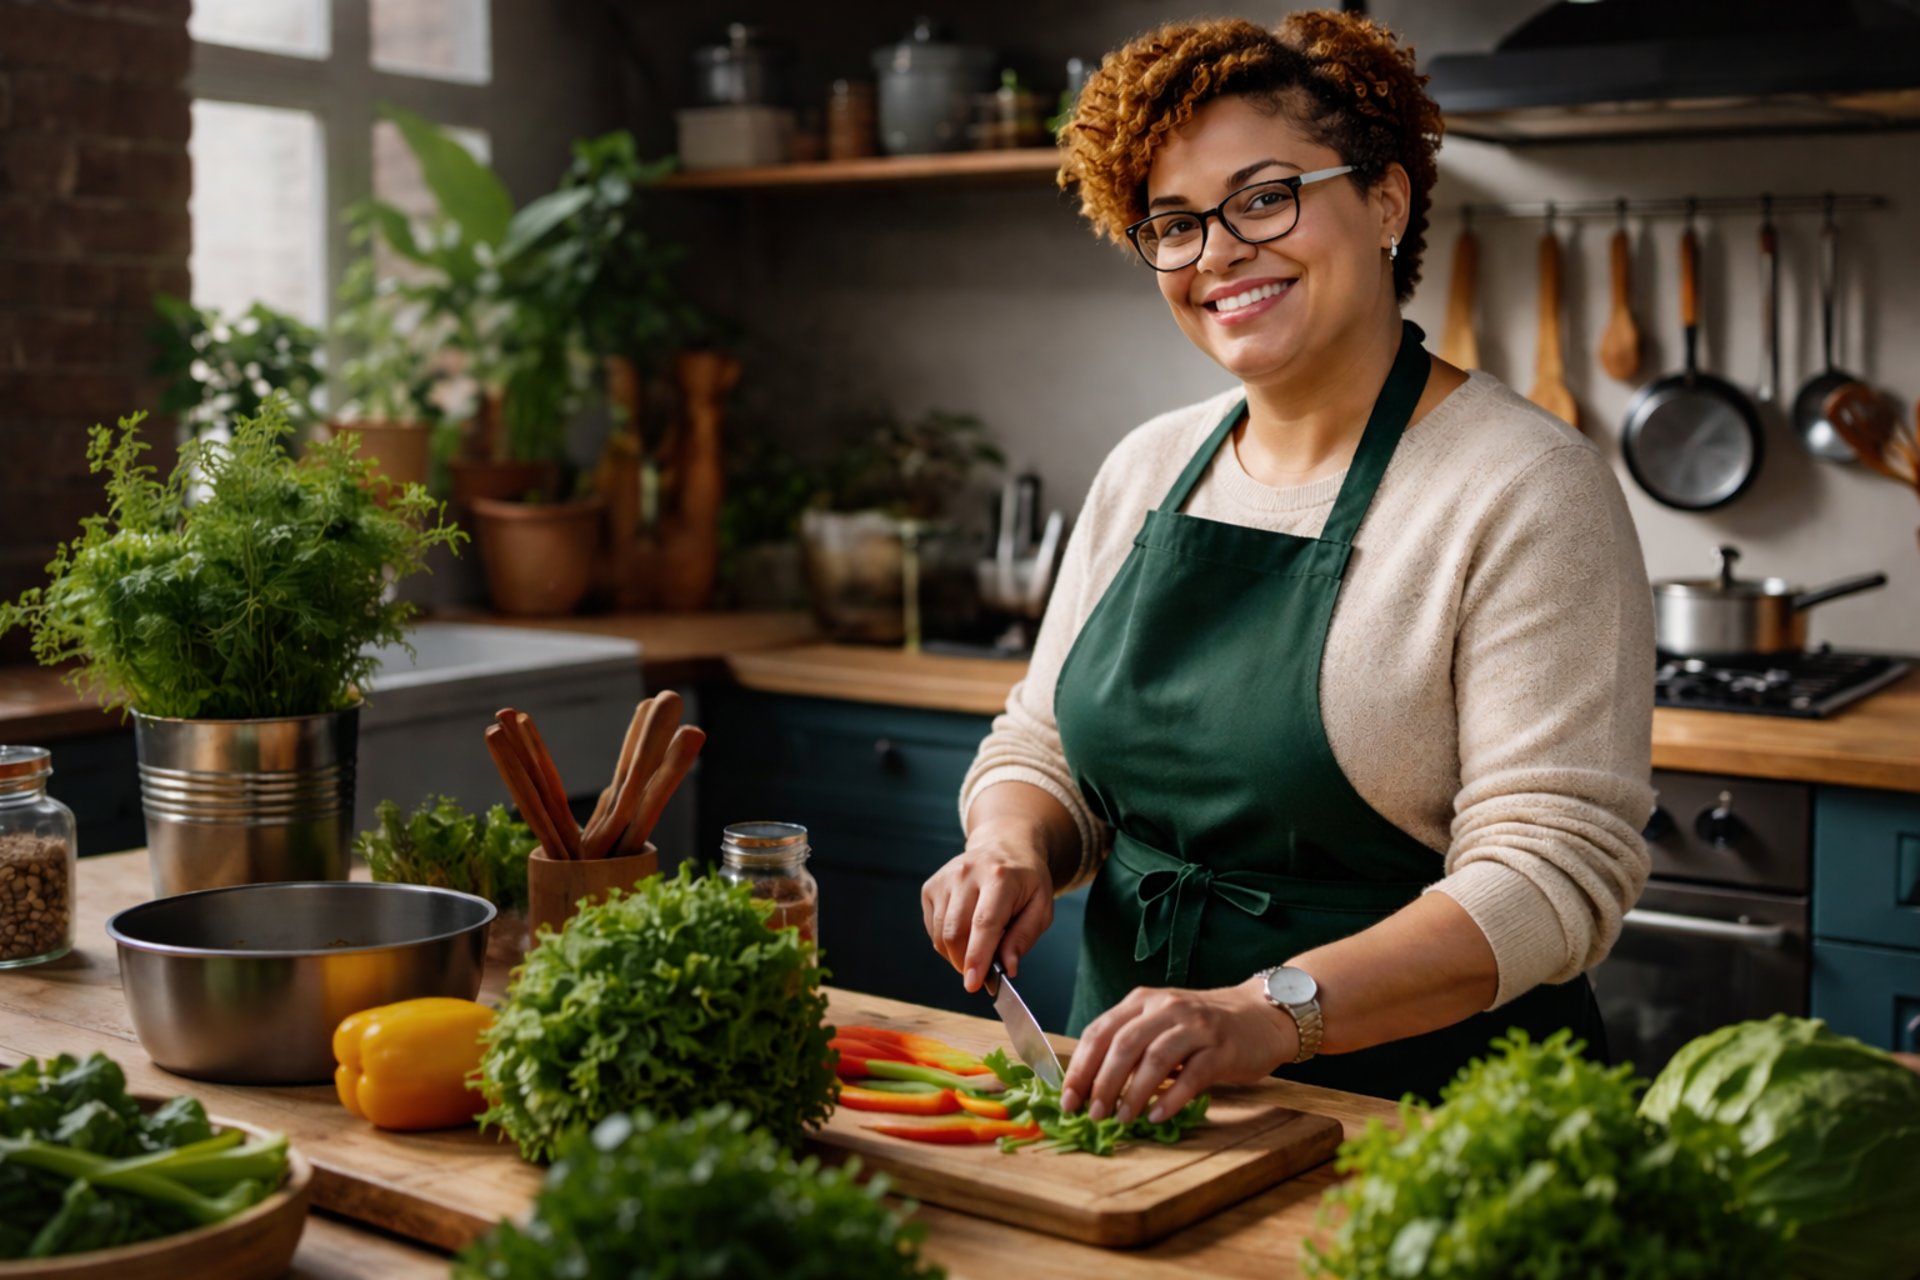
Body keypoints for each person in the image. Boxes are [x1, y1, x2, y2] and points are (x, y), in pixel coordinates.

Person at [920, 11, 1655, 1123]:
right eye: (1172, 223)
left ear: (1386, 203)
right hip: (1136, 1103)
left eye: (1264, 198)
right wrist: (1011, 844)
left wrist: (1264, 1014)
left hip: (1433, 1125)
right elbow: (1046, 742)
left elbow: (1549, 878)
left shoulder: (1524, 486)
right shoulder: (1149, 467)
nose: (1216, 251)